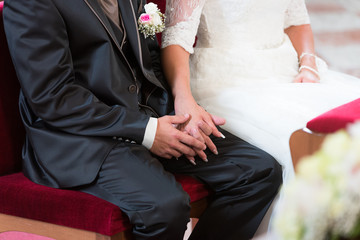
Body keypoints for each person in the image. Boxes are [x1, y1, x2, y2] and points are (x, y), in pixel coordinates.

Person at [3, 0, 282, 239]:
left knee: (256, 171)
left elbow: (148, 60)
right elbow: (54, 97)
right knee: (165, 208)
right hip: (79, 140)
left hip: (147, 116)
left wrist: (181, 110)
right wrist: (148, 131)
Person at [161, 0, 360, 183]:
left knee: (348, 125)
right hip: (228, 79)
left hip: (287, 69)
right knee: (302, 143)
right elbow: (176, 40)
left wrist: (308, 64)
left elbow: (296, 21)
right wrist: (183, 96)